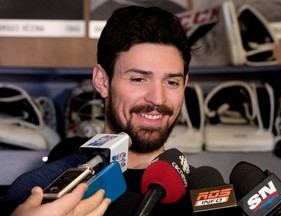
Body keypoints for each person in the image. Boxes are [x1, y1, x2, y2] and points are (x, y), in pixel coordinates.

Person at [2, 5, 194, 215]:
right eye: (139, 79)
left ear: (184, 84)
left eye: (171, 82)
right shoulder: (37, 194)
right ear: (102, 81)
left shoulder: (203, 192)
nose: (158, 98)